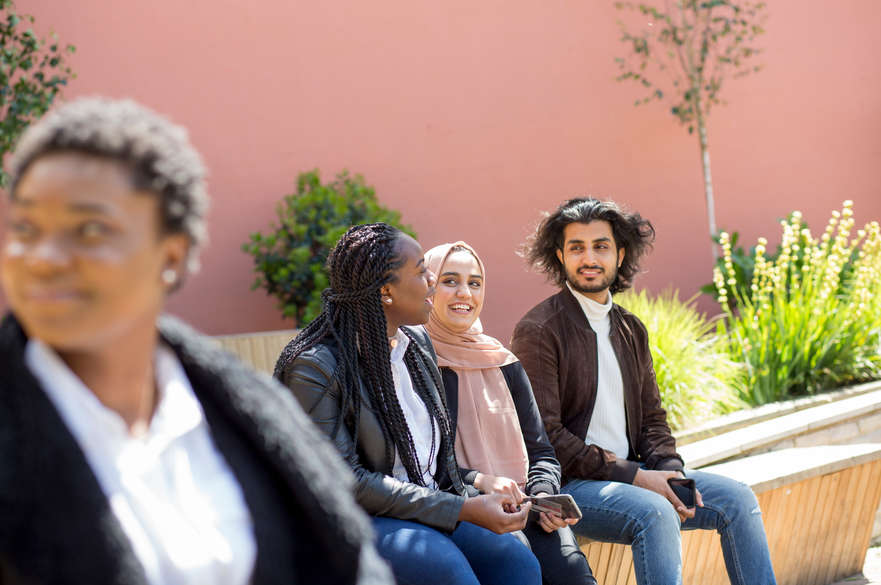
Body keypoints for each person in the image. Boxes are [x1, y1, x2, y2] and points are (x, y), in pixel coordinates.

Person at [0, 97, 392, 585]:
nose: (43, 257)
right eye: (26, 228)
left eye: (90, 229)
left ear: (171, 254)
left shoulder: (248, 414)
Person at [511, 197, 777, 585]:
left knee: (737, 499)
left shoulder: (630, 328)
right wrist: (639, 477)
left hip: (635, 476)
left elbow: (653, 419)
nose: (589, 258)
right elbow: (548, 437)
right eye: (577, 248)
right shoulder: (539, 330)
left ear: (619, 254)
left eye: (600, 246)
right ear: (560, 256)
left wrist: (671, 473)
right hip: (573, 486)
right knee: (655, 512)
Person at [275, 223, 542, 585]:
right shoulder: (314, 367)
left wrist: (478, 490)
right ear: (386, 291)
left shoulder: (415, 346)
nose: (432, 280)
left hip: (428, 506)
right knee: (447, 571)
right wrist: (462, 508)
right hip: (359, 520)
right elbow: (344, 482)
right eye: (421, 272)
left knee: (517, 561)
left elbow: (429, 461)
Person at [424, 241, 597, 585]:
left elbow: (542, 451)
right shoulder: (416, 365)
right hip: (464, 506)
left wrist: (545, 493)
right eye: (450, 281)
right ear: (427, 288)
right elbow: (425, 465)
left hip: (526, 505)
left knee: (573, 572)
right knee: (515, 559)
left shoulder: (504, 362)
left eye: (474, 283)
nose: (465, 293)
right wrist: (482, 485)